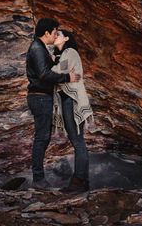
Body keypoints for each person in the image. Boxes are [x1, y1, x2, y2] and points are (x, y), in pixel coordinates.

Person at [26, 17, 81, 190]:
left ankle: (38, 179)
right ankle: (38, 180)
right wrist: (67, 77)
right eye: (55, 32)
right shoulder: (37, 48)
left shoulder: (40, 48)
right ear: (47, 32)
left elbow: (48, 69)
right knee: (41, 137)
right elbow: (43, 74)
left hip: (42, 96)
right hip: (40, 97)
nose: (56, 34)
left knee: (43, 137)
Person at [52, 30, 93, 192]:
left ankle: (79, 181)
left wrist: (50, 65)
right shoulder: (62, 55)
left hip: (72, 101)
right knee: (77, 141)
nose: (55, 36)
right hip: (67, 100)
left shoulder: (70, 52)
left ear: (67, 38)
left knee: (78, 142)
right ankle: (83, 181)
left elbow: (57, 72)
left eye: (58, 34)